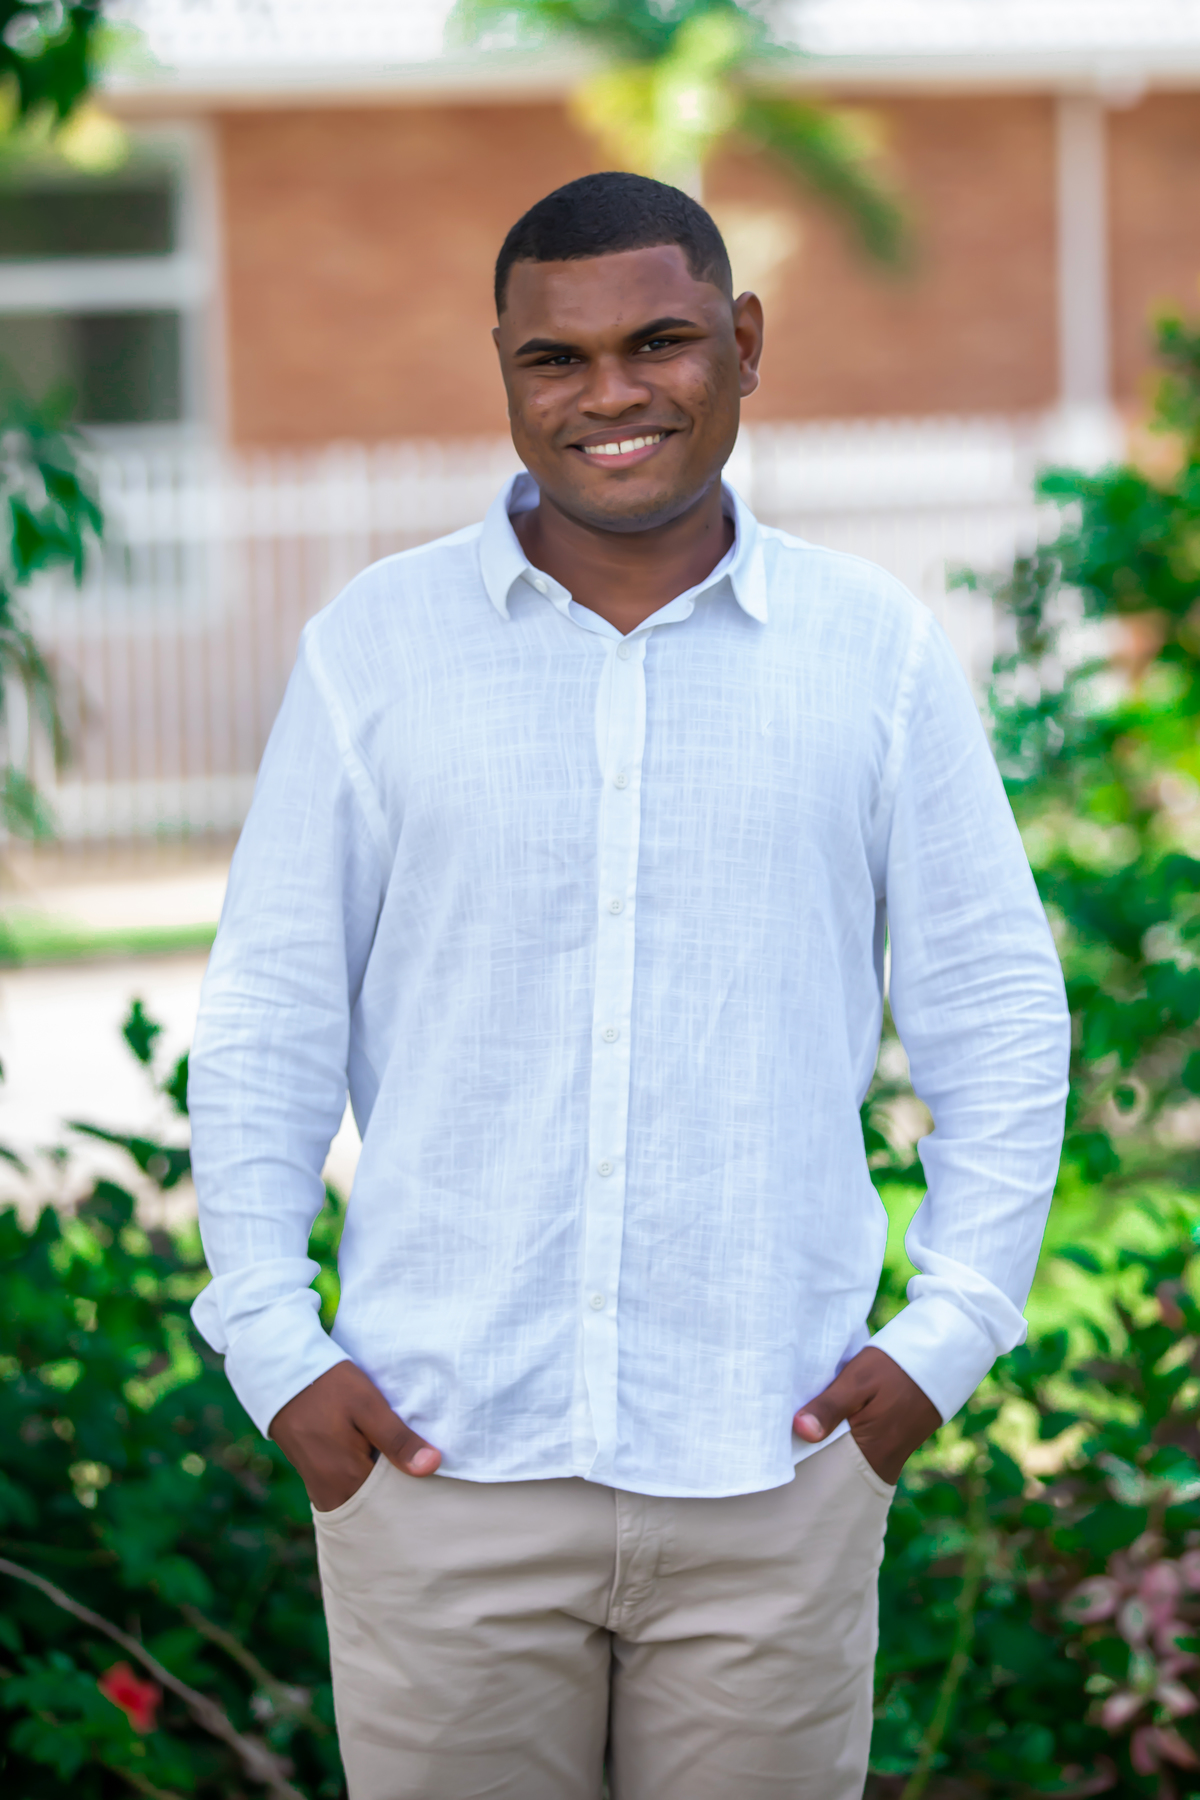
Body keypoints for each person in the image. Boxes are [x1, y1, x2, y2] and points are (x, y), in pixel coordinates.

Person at [189, 171, 1070, 1800]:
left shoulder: (870, 654)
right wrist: (273, 1345)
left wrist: (947, 1337)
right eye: (557, 358)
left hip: (773, 1465)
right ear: (508, 372)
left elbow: (998, 1012)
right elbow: (268, 1020)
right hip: (444, 1466)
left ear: (742, 343)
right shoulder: (373, 651)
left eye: (659, 341)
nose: (610, 394)